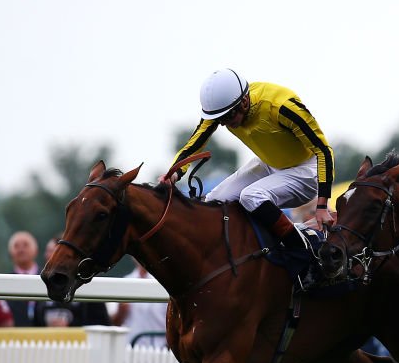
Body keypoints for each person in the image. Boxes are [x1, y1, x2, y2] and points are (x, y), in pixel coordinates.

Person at [162, 68, 335, 248]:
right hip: (270, 164)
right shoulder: (226, 107)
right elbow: (196, 142)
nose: (226, 123)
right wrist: (173, 173)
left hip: (306, 171)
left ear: (244, 101)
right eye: (220, 120)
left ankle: (302, 248)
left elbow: (323, 150)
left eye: (229, 117)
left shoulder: (282, 107)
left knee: (251, 196)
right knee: (215, 200)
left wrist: (321, 206)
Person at [112, 260, 168, 348]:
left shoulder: (164, 282)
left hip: (160, 350)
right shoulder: (125, 281)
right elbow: (115, 323)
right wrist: (121, 312)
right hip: (130, 348)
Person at [6, 230, 40, 325]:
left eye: (26, 245)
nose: (21, 250)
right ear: (10, 252)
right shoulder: (4, 282)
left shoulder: (48, 279)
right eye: (16, 246)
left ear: (36, 250)